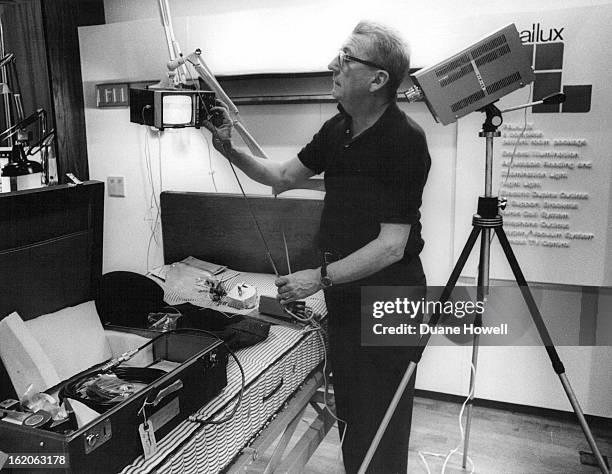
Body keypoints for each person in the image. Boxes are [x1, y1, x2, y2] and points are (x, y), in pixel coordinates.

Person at [204, 20, 431, 474]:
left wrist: (318, 278)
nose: (333, 65)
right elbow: (284, 177)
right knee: (352, 409)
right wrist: (231, 151)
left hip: (392, 296)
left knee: (383, 418)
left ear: (378, 78)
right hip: (346, 294)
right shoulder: (339, 129)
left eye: (346, 58)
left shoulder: (405, 141)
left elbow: (391, 246)